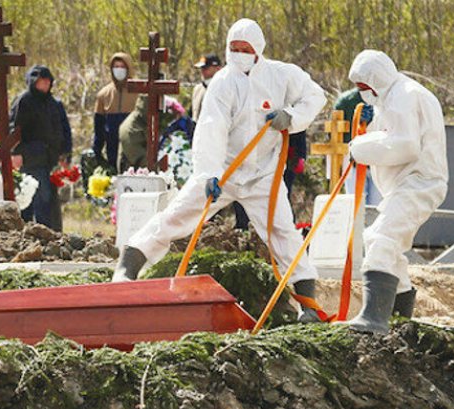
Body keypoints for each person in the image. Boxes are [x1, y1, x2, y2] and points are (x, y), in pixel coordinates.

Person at [113, 19, 326, 324]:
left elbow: (315, 96)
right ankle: (129, 263)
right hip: (223, 171)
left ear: (259, 49)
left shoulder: (282, 75)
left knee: (283, 232)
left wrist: (290, 116)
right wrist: (210, 174)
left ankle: (308, 304)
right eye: (234, 49)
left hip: (263, 175)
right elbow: (211, 129)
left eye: (245, 49)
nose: (239, 54)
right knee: (177, 215)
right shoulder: (223, 82)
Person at [341, 50, 448, 334]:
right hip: (407, 183)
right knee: (388, 247)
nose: (362, 93)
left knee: (381, 238)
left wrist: (360, 148)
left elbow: (405, 145)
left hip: (419, 182)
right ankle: (401, 320)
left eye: (364, 88)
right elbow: (390, 136)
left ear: (376, 79)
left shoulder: (404, 96)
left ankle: (374, 318)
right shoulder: (391, 96)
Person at [10, 65, 72, 230]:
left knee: (50, 199)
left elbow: (65, 130)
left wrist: (65, 155)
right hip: (31, 157)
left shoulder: (54, 104)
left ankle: (52, 233)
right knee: (37, 197)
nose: (44, 85)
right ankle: (36, 232)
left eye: (47, 81)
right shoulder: (24, 101)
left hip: (51, 159)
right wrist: (15, 153)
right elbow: (14, 129)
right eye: (40, 82)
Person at [336, 87, 383, 205]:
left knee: (377, 206)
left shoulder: (386, 97)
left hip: (379, 162)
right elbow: (335, 134)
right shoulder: (346, 101)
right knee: (355, 205)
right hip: (354, 164)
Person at [93, 53, 138, 169]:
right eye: (116, 67)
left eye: (122, 67)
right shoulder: (104, 95)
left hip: (134, 149)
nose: (119, 70)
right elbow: (99, 127)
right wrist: (97, 151)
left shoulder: (139, 92)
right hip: (112, 149)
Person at [191, 54, 223, 121]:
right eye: (201, 68)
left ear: (218, 68)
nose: (202, 70)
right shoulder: (197, 89)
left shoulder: (224, 88)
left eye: (206, 68)